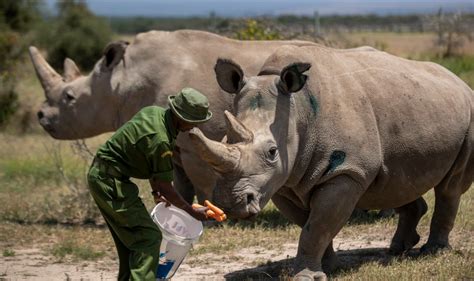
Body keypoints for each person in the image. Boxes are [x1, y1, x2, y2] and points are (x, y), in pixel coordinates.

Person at [87, 87, 212, 280]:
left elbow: (150, 163)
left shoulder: (154, 113)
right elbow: (165, 186)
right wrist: (190, 211)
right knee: (148, 238)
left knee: (130, 243)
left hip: (106, 177)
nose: (195, 127)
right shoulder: (160, 140)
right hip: (110, 182)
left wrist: (155, 191)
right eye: (194, 122)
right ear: (182, 118)